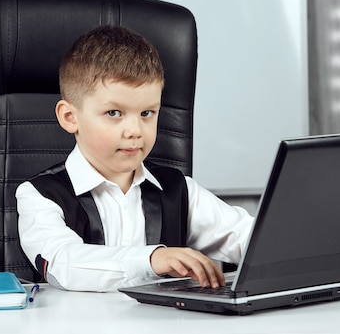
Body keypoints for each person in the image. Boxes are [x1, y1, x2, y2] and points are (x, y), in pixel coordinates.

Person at [15, 25, 253, 292]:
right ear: (70, 117)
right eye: (114, 113)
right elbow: (63, 263)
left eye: (147, 113)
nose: (135, 131)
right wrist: (151, 260)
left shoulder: (179, 190)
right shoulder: (39, 196)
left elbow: (248, 238)